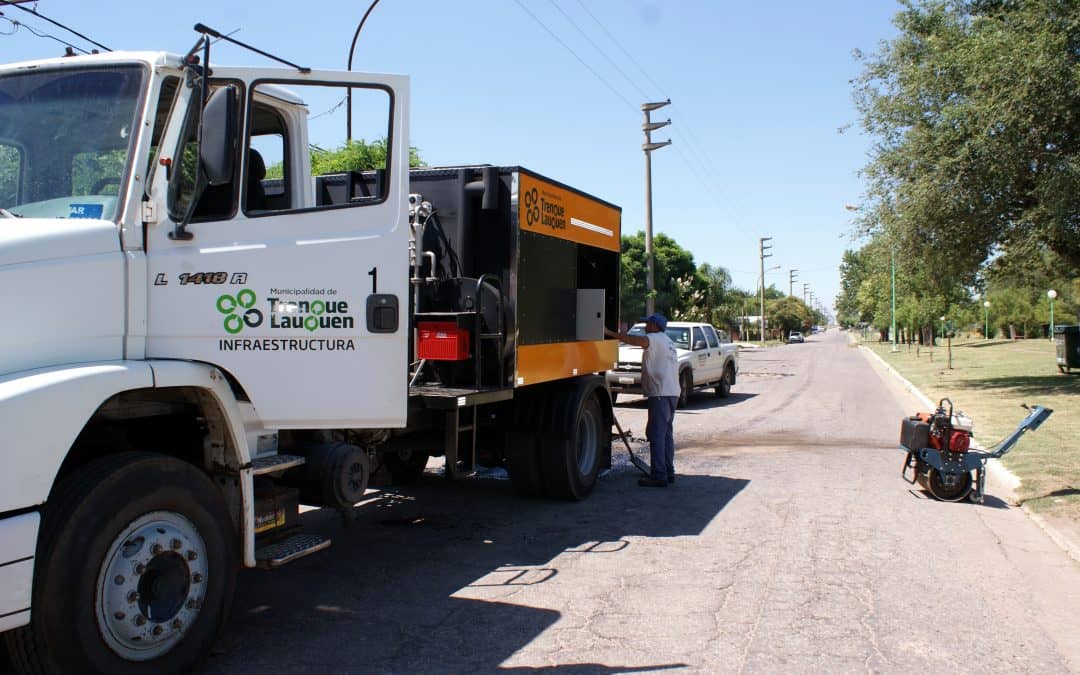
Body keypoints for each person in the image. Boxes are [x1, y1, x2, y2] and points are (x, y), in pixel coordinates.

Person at [605, 312, 680, 487]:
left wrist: (610, 333)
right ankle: (668, 471)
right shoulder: (667, 341)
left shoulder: (653, 338)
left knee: (656, 434)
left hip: (660, 394)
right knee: (666, 434)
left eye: (648, 324)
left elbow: (635, 340)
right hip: (671, 393)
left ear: (655, 326)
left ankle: (659, 475)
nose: (646, 327)